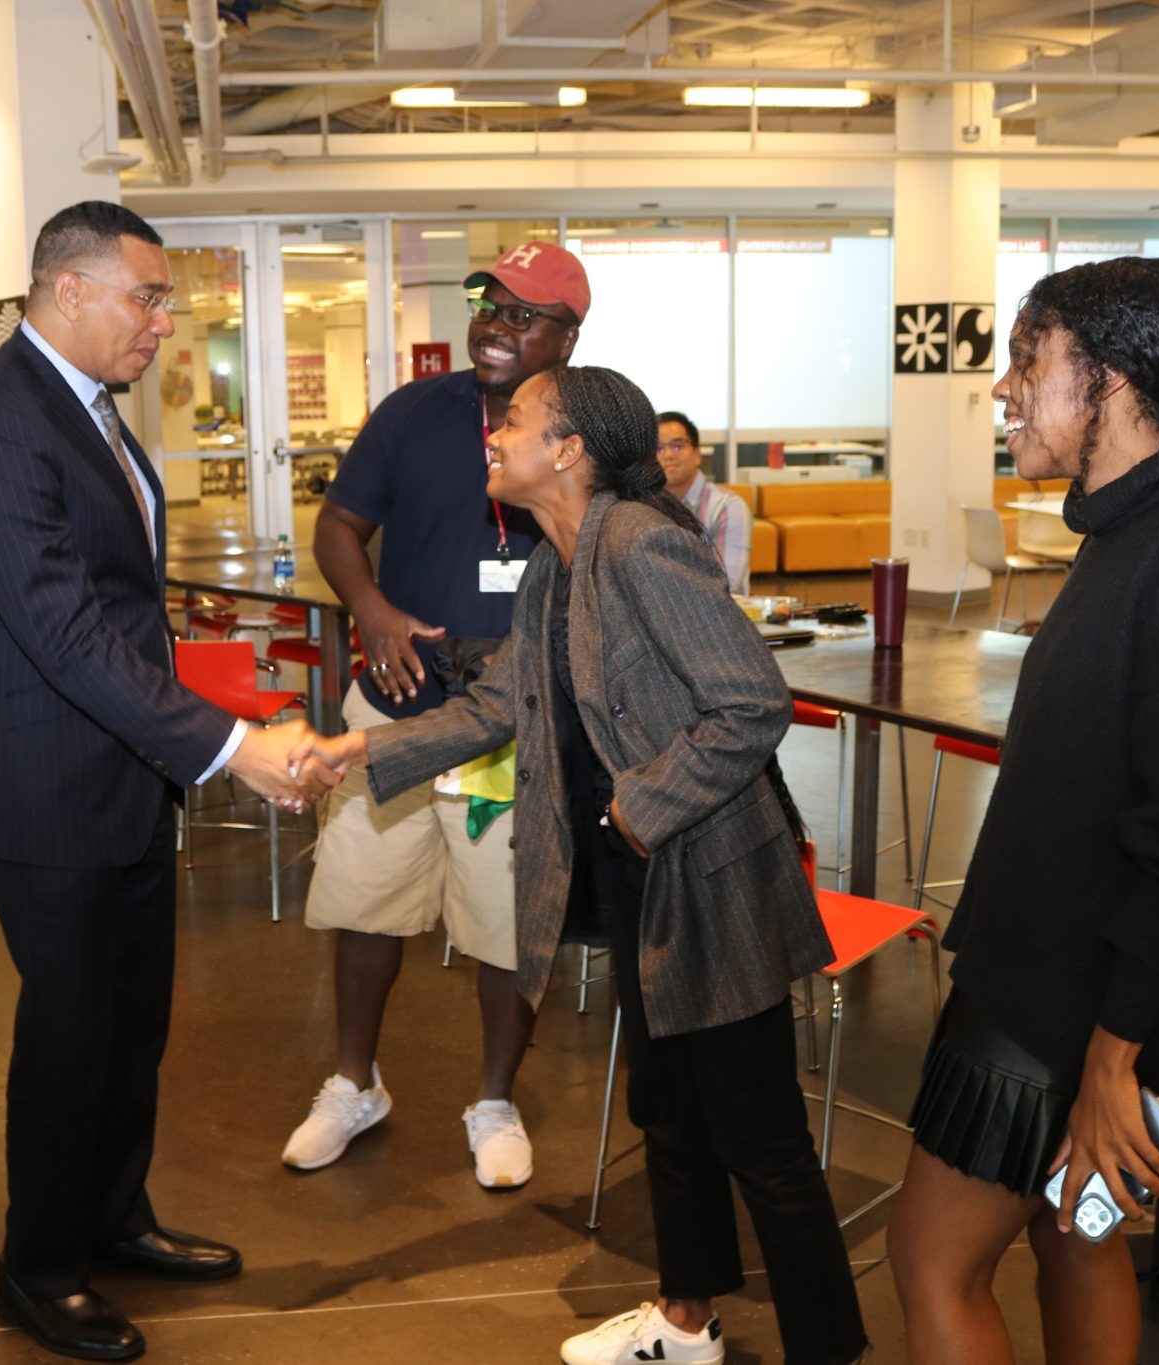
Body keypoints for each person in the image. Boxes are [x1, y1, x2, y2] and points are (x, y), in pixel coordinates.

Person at [293, 366, 869, 1365]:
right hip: (639, 881)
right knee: (669, 1115)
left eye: (512, 422)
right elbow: (495, 707)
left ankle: (833, 1349)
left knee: (761, 1144)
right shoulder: (561, 559)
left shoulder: (643, 546)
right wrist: (358, 753)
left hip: (707, 878)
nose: (492, 435)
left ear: (566, 451)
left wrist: (635, 809)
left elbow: (750, 706)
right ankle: (684, 1325)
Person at [887, 257, 1159, 1365]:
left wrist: (1109, 1064)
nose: (1001, 392)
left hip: (1065, 1018)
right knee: (1073, 1245)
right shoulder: (1134, 528)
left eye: (1026, 362)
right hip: (1063, 993)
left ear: (1110, 381)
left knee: (930, 1263)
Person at [0, 200, 332, 1363]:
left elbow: (117, 613)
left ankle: (112, 1217)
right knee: (69, 1037)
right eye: (146, 298)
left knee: (128, 1024)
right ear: (68, 293)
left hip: (120, 770)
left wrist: (189, 742)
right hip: (43, 782)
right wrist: (230, 746)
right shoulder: (2, 424)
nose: (163, 323)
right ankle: (40, 1269)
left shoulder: (84, 408)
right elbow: (63, 633)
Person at [284, 242, 589, 1189]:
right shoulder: (415, 413)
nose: (496, 323)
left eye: (523, 312)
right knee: (367, 903)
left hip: (512, 728)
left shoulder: (590, 430)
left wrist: (544, 653)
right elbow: (339, 525)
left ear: (568, 335)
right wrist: (370, 610)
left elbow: (610, 555)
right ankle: (352, 1082)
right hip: (397, 706)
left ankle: (495, 1099)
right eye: (486, 303)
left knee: (506, 919)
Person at [656, 410, 752, 593]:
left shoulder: (726, 507)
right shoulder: (643, 507)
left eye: (677, 446)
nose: (668, 455)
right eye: (659, 449)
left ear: (697, 454)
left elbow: (727, 584)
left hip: (721, 617)